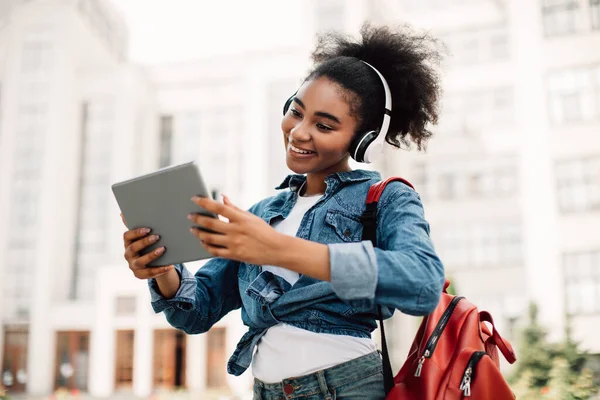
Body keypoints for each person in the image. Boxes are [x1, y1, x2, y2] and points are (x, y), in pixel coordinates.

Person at [122, 23, 445, 400]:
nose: (298, 132)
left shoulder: (385, 198)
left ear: (363, 141)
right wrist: (163, 271)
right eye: (296, 111)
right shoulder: (261, 214)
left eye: (324, 125)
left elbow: (423, 284)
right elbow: (196, 311)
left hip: (345, 388)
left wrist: (276, 249)